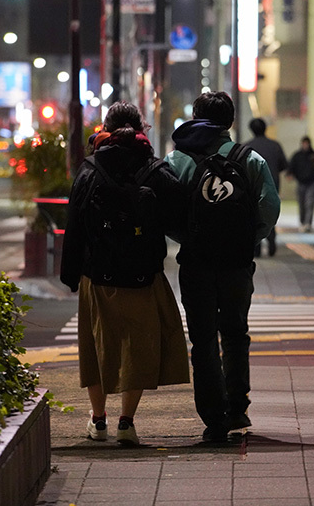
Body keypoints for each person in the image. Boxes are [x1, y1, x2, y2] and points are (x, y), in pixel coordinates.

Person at [60, 101, 190, 446]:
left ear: (105, 129)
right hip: (142, 275)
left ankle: (98, 421)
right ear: (142, 129)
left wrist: (70, 274)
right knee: (138, 347)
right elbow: (181, 213)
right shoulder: (154, 169)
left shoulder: (90, 169)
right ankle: (127, 422)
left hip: (96, 275)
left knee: (96, 347)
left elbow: (74, 226)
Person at [164, 91, 280, 442]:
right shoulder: (252, 160)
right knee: (234, 333)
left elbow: (166, 211)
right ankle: (237, 406)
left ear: (198, 118)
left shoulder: (178, 160)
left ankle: (213, 418)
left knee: (202, 339)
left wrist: (187, 236)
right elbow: (270, 208)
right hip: (237, 262)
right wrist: (248, 238)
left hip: (196, 263)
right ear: (230, 121)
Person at [244, 118, 288, 255]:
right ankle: (272, 241)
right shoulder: (275, 146)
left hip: (251, 187)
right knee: (269, 213)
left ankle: (256, 248)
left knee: (253, 215)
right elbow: (284, 165)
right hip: (272, 185)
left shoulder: (246, 147)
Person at [288, 136, 314, 232]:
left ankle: (308, 223)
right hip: (300, 182)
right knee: (301, 203)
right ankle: (302, 221)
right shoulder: (297, 155)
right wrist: (290, 174)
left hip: (312, 182)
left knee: (310, 203)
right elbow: (291, 166)